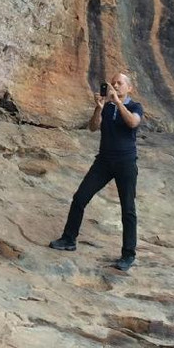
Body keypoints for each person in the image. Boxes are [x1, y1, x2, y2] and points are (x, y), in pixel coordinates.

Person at [49, 72, 144, 271]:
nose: (115, 86)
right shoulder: (107, 107)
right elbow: (93, 128)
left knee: (128, 209)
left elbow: (133, 123)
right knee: (80, 197)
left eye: (120, 83)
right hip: (104, 161)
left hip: (125, 162)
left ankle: (128, 255)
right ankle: (69, 239)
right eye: (113, 83)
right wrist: (99, 109)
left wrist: (118, 103)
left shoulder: (135, 107)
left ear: (129, 88)